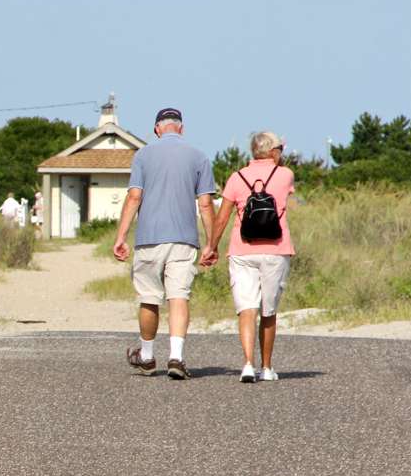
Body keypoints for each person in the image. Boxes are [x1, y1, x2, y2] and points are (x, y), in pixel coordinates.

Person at [112, 108, 216, 379]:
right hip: (184, 239)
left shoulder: (143, 155)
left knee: (149, 298)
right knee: (178, 296)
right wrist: (211, 242)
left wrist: (121, 236)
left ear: (157, 129)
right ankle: (177, 357)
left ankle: (146, 357)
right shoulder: (199, 156)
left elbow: (134, 197)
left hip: (149, 238)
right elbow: (205, 203)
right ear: (181, 128)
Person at [205, 131, 295, 383]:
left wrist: (211, 246)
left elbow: (222, 217)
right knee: (269, 310)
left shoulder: (236, 177)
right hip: (276, 250)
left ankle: (247, 364)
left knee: (247, 309)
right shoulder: (285, 175)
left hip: (242, 249)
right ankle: (267, 368)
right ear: (274, 151)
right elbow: (285, 189)